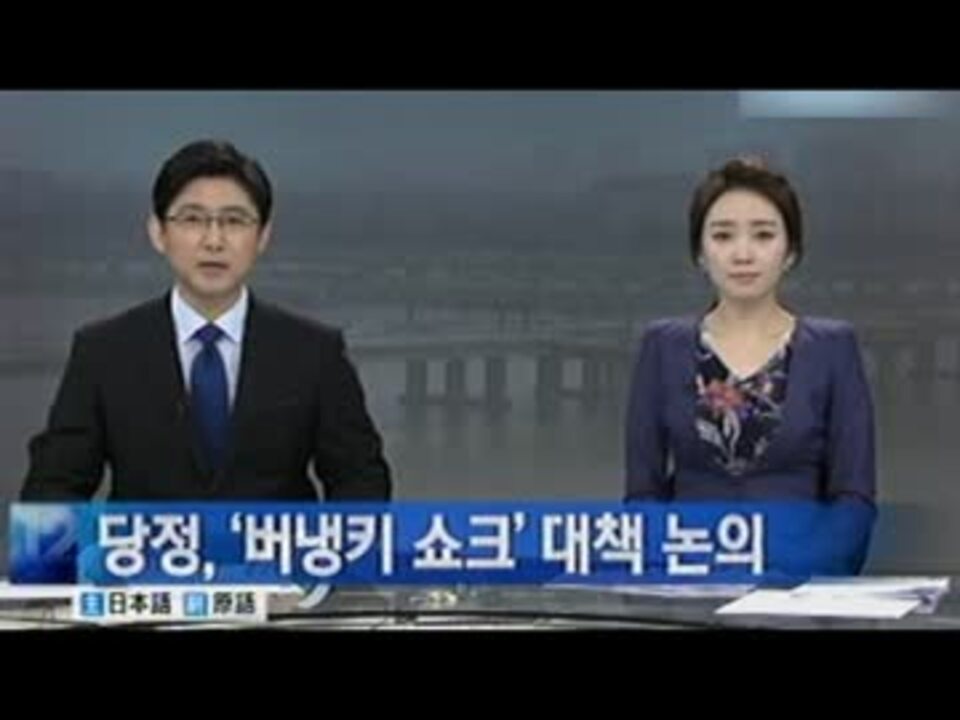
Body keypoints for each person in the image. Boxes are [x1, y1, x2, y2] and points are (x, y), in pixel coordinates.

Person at [21, 139, 392, 503]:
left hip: (275, 546)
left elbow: (361, 480)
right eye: (192, 219)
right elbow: (53, 488)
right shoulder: (103, 351)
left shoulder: (315, 352)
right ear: (158, 233)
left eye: (234, 221)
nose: (214, 241)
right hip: (152, 546)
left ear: (263, 236)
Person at [624, 156, 875, 575]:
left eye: (763, 235)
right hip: (685, 577)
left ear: (790, 251)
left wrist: (805, 575)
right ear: (700, 253)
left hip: (800, 582)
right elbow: (642, 495)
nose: (743, 254)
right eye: (723, 236)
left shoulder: (833, 348)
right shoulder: (662, 347)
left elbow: (853, 498)